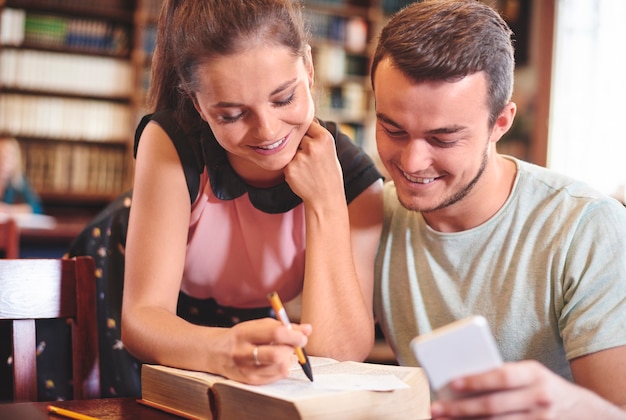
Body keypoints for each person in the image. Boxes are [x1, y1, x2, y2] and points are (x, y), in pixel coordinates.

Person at [370, 0, 626, 418]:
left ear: (501, 123)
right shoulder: (372, 212)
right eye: (392, 129)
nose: (412, 163)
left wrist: (569, 408)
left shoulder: (587, 226)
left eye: (444, 138)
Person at [121, 0, 383, 386]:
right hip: (138, 317)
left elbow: (338, 355)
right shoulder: (170, 141)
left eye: (284, 98)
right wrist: (223, 349)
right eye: (231, 115)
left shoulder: (356, 180)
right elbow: (142, 317)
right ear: (198, 105)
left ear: (308, 69)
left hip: (239, 344)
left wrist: (326, 202)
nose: (267, 131)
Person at [0, 137, 42, 214]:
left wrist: (7, 210)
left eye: (8, 156)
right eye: (1, 155)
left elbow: (36, 208)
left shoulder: (19, 181)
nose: (3, 160)